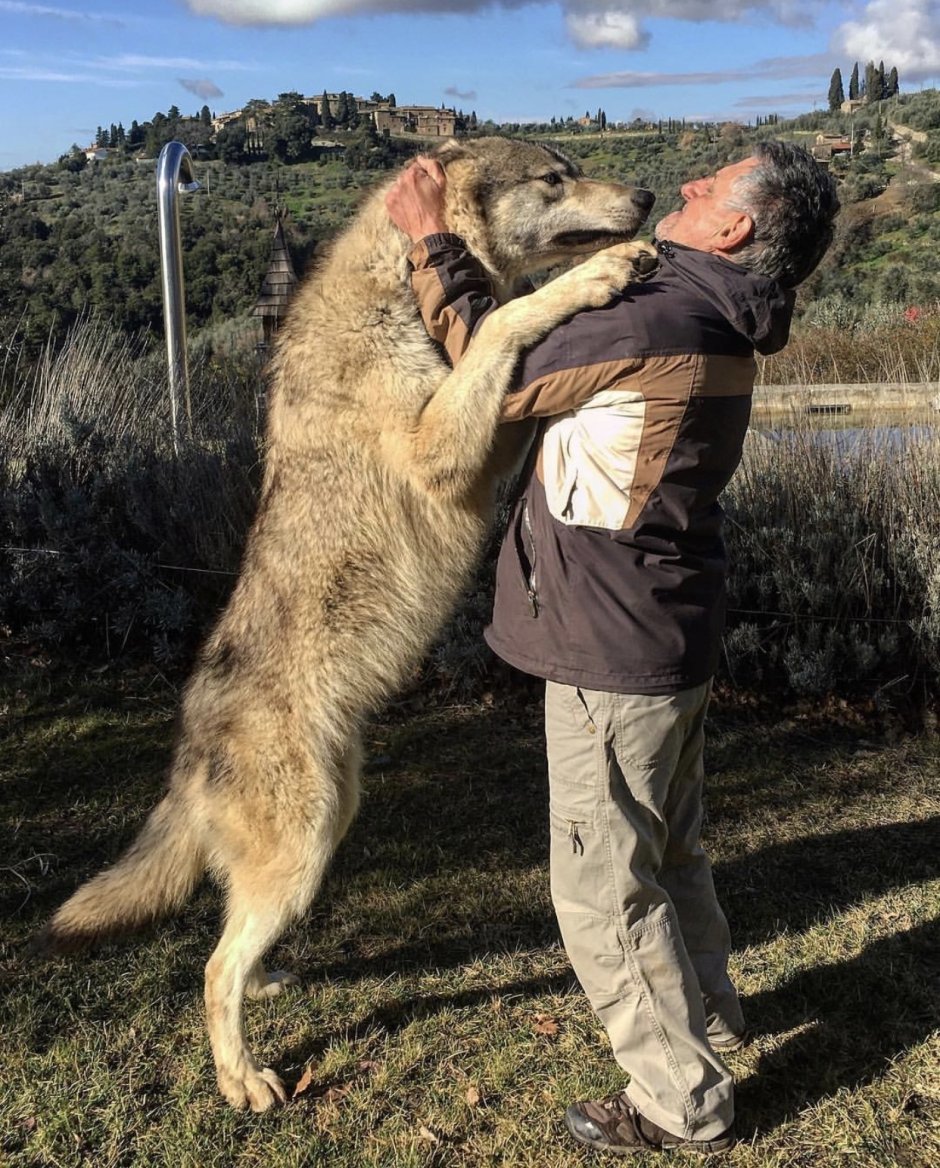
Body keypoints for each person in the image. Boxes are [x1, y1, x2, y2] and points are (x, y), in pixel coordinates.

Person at [385, 141, 839, 1155]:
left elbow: (486, 374)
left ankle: (681, 1100)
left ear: (731, 230)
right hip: (667, 628)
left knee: (602, 887)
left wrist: (430, 240)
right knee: (671, 851)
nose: (684, 185)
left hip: (610, 643)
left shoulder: (655, 314)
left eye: (709, 184)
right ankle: (712, 1020)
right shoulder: (717, 311)